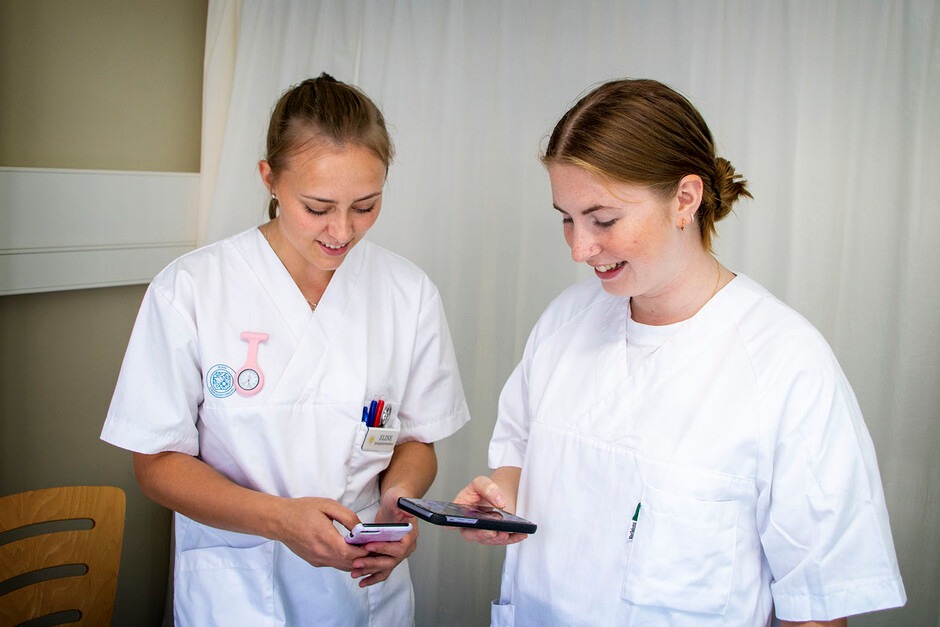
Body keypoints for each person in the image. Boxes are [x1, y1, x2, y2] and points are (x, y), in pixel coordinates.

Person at [456, 79, 906, 626]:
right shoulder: (564, 322)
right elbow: (520, 458)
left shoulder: (786, 364)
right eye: (566, 219)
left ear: (685, 200)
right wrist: (501, 497)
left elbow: (817, 603)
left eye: (603, 220)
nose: (579, 248)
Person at [101, 73, 470, 626]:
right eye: (318, 207)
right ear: (269, 179)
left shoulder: (408, 293)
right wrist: (277, 519)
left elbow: (417, 439)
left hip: (363, 584)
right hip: (238, 591)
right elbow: (156, 463)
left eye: (365, 206)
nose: (342, 231)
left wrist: (400, 503)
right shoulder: (192, 289)